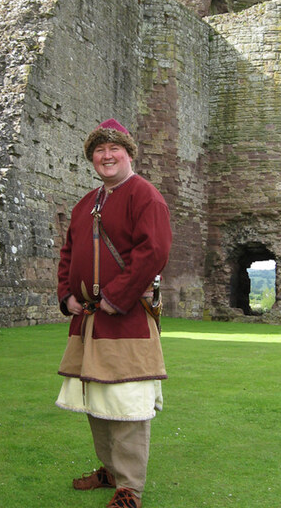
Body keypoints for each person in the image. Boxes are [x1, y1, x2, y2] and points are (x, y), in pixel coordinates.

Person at [55, 118, 172, 508]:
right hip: (88, 319)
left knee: (126, 402)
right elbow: (68, 252)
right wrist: (66, 295)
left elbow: (152, 251)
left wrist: (116, 297)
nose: (106, 156)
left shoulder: (145, 195)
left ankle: (130, 489)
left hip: (126, 318)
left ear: (128, 153)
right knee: (97, 399)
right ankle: (109, 470)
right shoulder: (86, 203)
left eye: (113, 149)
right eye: (98, 151)